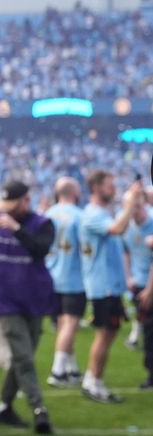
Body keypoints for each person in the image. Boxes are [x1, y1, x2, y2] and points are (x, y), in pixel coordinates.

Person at [0, 180, 54, 434]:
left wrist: (16, 229)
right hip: (4, 299)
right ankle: (40, 410)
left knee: (22, 356)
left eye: (12, 206)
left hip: (34, 298)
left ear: (25, 201)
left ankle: (3, 408)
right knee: (24, 357)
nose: (7, 211)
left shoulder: (42, 224)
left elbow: (40, 250)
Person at [79, 170, 142, 403]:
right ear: (96, 188)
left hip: (110, 286)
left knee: (110, 332)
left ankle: (93, 379)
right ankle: (93, 382)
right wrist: (131, 203)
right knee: (105, 334)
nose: (113, 189)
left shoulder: (101, 213)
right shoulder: (93, 215)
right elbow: (117, 229)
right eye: (109, 185)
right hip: (102, 286)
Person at [44, 177, 86, 387]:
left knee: (63, 323)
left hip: (52, 276)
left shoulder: (48, 214)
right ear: (74, 193)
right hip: (73, 277)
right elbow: (86, 249)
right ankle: (58, 370)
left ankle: (71, 367)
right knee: (70, 323)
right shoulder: (79, 216)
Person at [123, 191, 153, 390]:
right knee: (146, 331)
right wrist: (128, 277)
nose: (134, 211)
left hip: (149, 285)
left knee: (150, 330)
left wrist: (150, 290)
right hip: (139, 285)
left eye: (137, 206)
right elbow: (125, 251)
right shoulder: (126, 227)